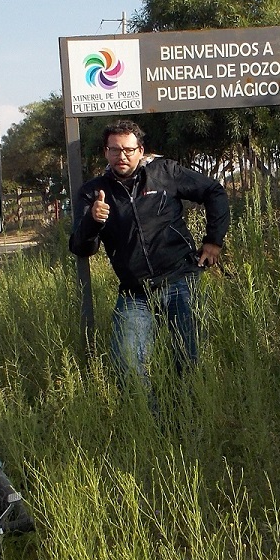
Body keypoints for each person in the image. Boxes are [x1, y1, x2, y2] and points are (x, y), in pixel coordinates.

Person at [68, 120, 229, 379]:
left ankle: (187, 417)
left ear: (140, 151)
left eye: (128, 150)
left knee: (188, 363)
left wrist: (213, 241)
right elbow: (81, 248)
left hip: (181, 282)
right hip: (135, 294)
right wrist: (92, 221)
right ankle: (151, 418)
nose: (122, 156)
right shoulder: (93, 193)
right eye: (115, 150)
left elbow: (214, 191)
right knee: (127, 366)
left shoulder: (165, 172)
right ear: (105, 152)